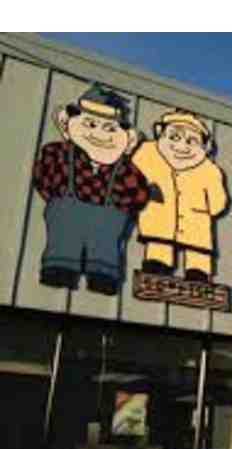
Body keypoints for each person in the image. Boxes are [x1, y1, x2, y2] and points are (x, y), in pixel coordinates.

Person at [33, 84, 150, 295]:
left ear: (129, 139)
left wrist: (122, 207)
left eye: (110, 128)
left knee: (104, 260)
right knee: (62, 254)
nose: (99, 134)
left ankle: (102, 277)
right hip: (65, 224)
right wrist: (56, 198)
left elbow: (138, 196)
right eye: (91, 124)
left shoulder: (125, 169)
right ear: (66, 123)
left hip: (107, 233)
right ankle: (59, 270)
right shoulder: (57, 153)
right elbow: (43, 179)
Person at [132, 109, 229, 282]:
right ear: (160, 133)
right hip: (160, 219)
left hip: (195, 224)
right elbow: (134, 178)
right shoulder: (147, 152)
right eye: (175, 137)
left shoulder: (209, 170)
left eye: (191, 141)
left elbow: (217, 203)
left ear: (204, 146)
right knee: (159, 248)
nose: (182, 146)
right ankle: (158, 273)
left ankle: (197, 277)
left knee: (197, 256)